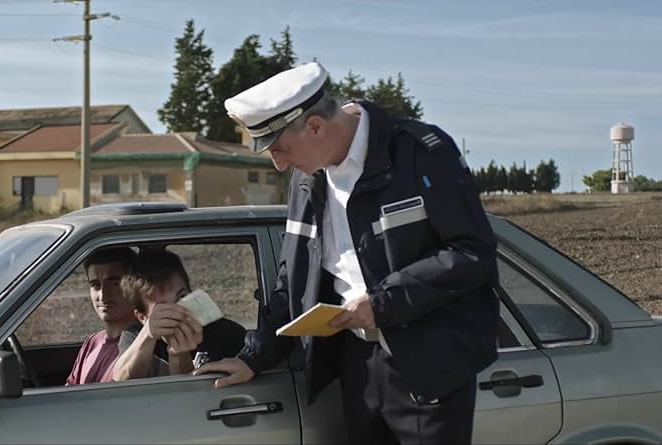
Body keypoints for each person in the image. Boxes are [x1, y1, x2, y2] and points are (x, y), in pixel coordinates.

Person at [194, 62, 499, 445]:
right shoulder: (306, 179)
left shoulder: (419, 153)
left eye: (281, 149)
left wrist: (383, 302)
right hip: (355, 365)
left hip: (428, 367)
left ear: (316, 127)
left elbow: (472, 252)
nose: (279, 164)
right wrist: (254, 355)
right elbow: (292, 279)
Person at [112, 248, 246, 381]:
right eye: (163, 307)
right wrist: (148, 334)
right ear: (142, 317)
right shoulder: (135, 336)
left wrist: (180, 355)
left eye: (182, 297)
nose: (177, 310)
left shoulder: (226, 333)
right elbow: (120, 379)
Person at [65, 247, 137, 385]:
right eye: (96, 285)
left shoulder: (142, 345)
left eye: (115, 284)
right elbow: (68, 393)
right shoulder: (92, 342)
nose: (103, 295)